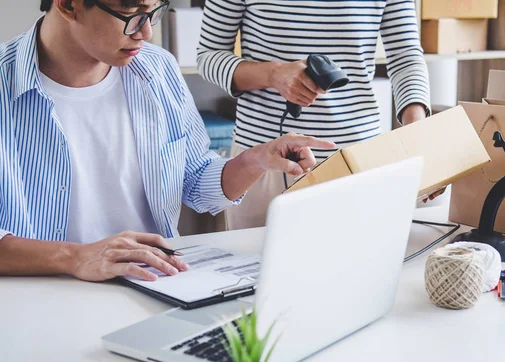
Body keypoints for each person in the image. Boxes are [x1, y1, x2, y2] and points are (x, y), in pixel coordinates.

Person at [0, 0, 335, 282]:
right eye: (132, 13)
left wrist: (256, 160)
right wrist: (74, 257)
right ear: (68, 5)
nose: (146, 32)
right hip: (42, 295)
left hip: (156, 285)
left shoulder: (158, 70)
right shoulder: (5, 83)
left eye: (155, 12)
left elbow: (195, 181)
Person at [197, 0, 443, 231]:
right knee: (253, 273)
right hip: (264, 162)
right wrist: (273, 74)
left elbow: (406, 56)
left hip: (358, 161)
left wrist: (416, 135)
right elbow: (208, 56)